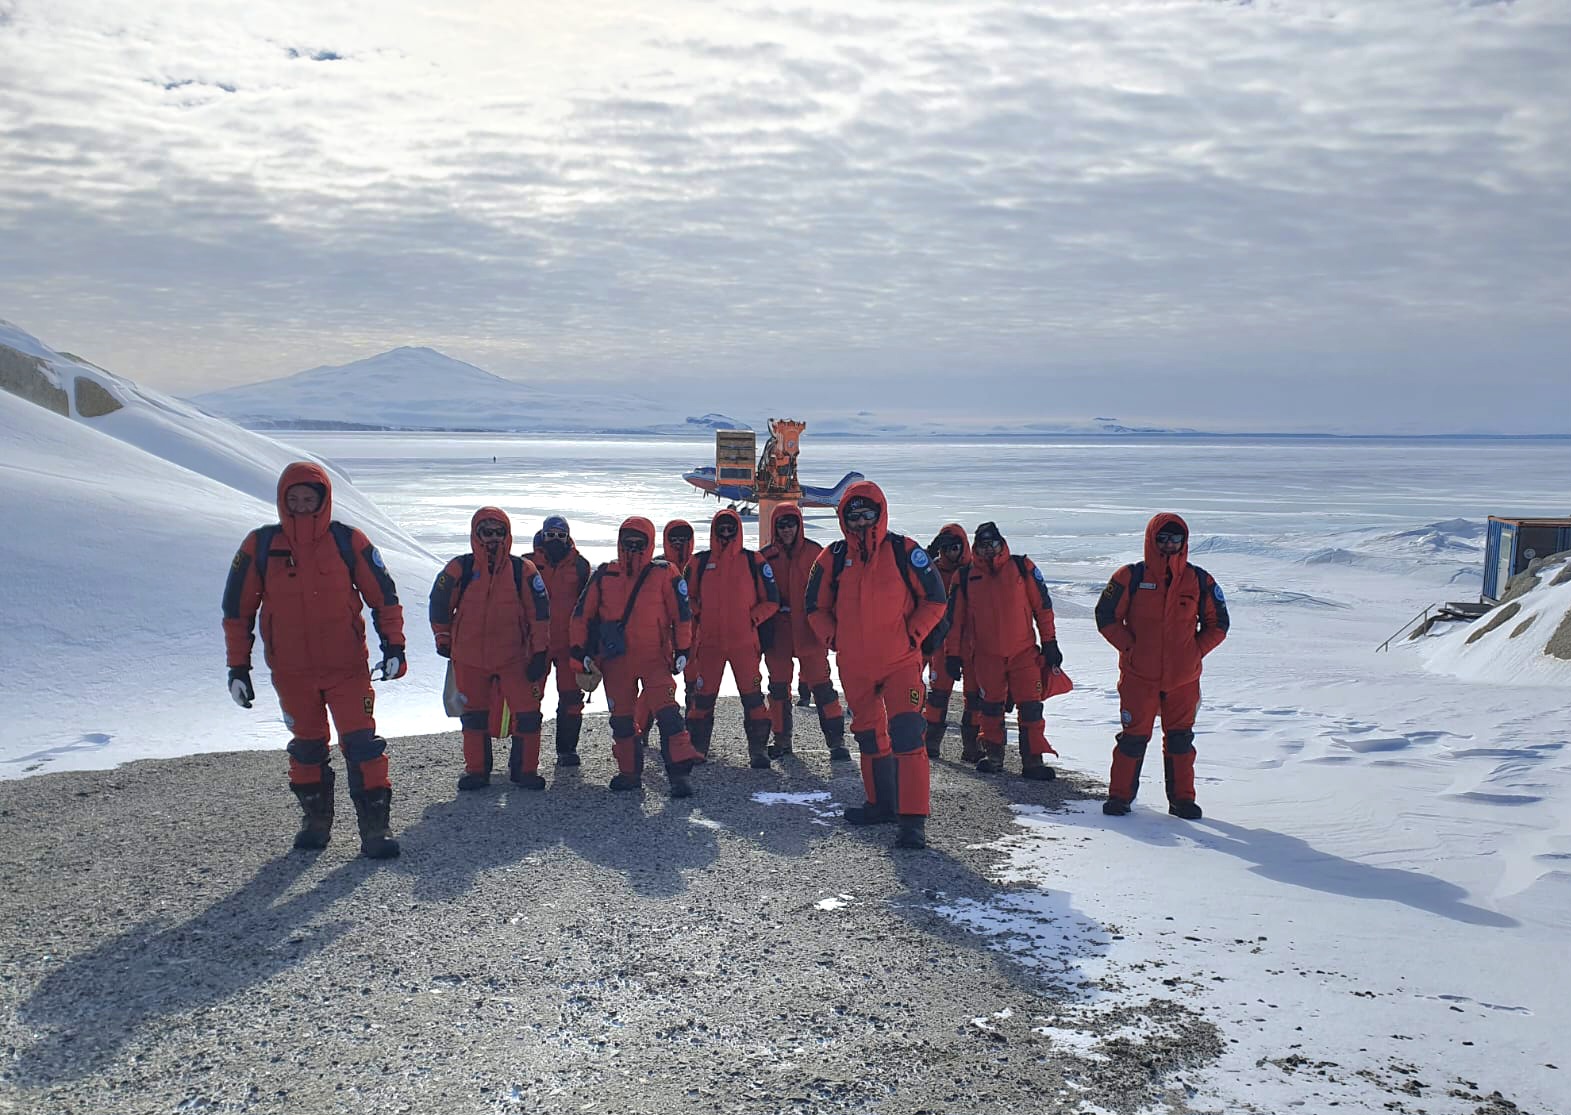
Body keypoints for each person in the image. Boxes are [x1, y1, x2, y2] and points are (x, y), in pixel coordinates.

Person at [222, 462, 405, 858]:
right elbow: (237, 611)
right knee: (306, 748)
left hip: (346, 668)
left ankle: (376, 829)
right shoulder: (261, 546)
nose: (303, 506)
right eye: (294, 499)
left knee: (362, 746)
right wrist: (238, 667)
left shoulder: (348, 541)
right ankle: (315, 822)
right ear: (282, 501)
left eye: (310, 499)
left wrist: (395, 647)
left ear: (324, 500)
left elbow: (383, 597)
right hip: (291, 673)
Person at [804, 481, 947, 849]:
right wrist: (835, 638)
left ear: (881, 513)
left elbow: (935, 599)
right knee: (869, 736)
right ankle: (881, 804)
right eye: (854, 515)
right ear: (843, 518)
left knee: (908, 735)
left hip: (901, 662)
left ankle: (913, 821)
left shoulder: (904, 552)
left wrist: (912, 636)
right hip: (856, 666)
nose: (862, 522)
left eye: (869, 514)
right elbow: (814, 608)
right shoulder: (832, 558)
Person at [1095, 513, 1230, 819]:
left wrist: (1194, 651)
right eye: (1163, 539)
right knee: (1133, 737)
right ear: (1151, 540)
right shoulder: (1129, 577)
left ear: (1184, 542)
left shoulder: (1199, 580)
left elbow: (1219, 623)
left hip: (1183, 679)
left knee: (1181, 740)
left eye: (1175, 540)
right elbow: (1105, 616)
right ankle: (1119, 798)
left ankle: (1182, 801)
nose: (1169, 545)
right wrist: (1131, 647)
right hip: (1138, 676)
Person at [570, 517, 701, 796]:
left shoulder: (665, 573)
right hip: (616, 661)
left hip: (655, 658)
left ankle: (679, 776)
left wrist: (683, 649)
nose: (632, 547)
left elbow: (682, 615)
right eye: (627, 542)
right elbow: (582, 615)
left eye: (638, 543)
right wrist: (578, 653)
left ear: (649, 543)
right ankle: (629, 773)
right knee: (621, 720)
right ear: (619, 542)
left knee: (669, 717)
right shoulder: (605, 574)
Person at [429, 508, 552, 791]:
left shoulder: (523, 570)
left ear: (507, 535)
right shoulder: (460, 568)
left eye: (499, 532)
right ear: (476, 534)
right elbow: (439, 603)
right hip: (469, 657)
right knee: (473, 716)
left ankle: (525, 771)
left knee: (528, 714)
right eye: (487, 532)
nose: (494, 538)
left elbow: (540, 613)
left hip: (514, 657)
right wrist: (443, 638)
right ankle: (476, 772)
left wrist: (540, 651)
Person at [944, 522, 1061, 779]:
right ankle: (994, 757)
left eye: (993, 544)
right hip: (986, 656)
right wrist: (952, 654)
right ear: (976, 548)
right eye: (983, 546)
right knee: (990, 709)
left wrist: (1050, 642)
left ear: (1001, 543)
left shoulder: (1022, 568)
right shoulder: (964, 577)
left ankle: (1033, 761)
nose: (989, 550)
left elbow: (1042, 607)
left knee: (1031, 708)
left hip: (1024, 654)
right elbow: (955, 622)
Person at [684, 508, 780, 768]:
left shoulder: (753, 561)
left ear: (738, 531)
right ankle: (697, 749)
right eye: (721, 529)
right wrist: (699, 611)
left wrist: (752, 619)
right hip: (709, 645)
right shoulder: (699, 562)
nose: (726, 534)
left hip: (744, 644)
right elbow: (685, 598)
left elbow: (772, 600)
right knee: (702, 699)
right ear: (714, 531)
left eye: (730, 529)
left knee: (753, 699)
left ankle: (758, 751)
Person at [758, 502, 849, 760]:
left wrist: (832, 625)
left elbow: (832, 591)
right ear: (775, 527)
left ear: (799, 524)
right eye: (781, 525)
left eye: (791, 524)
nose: (787, 529)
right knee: (778, 688)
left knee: (822, 688)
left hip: (810, 630)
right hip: (778, 631)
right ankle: (782, 740)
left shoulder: (816, 553)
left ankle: (836, 742)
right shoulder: (765, 556)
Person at [532, 515, 593, 766]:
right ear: (542, 535)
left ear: (567, 537)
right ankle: (525, 755)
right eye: (551, 535)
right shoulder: (526, 564)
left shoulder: (581, 566)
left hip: (570, 645)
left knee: (571, 698)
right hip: (537, 644)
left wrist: (589, 643)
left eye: (560, 535)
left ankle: (567, 750)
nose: (555, 540)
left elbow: (590, 606)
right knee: (528, 699)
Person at [920, 524, 972, 759]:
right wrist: (929, 552)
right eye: (945, 548)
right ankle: (930, 744)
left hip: (972, 641)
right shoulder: (932, 571)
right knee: (939, 693)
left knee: (977, 697)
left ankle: (973, 748)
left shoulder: (974, 572)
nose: (950, 552)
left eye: (955, 547)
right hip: (939, 640)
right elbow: (908, 571)